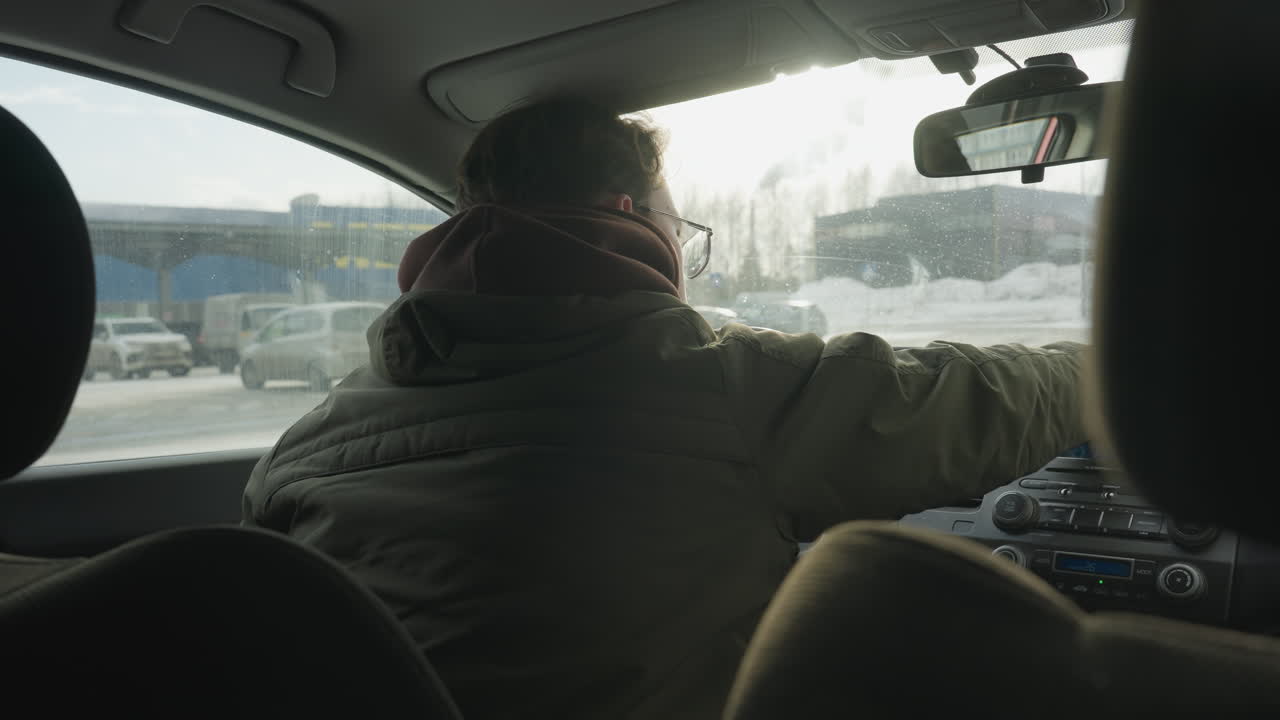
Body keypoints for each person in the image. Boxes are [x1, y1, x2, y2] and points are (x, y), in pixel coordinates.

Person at [242, 97, 1086, 719]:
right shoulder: (720, 386)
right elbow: (974, 405)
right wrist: (1105, 371)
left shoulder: (310, 440)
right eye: (677, 227)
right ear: (629, 219)